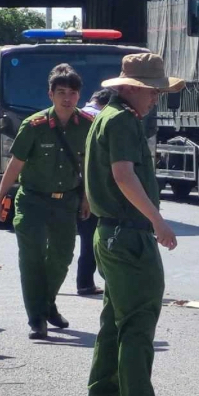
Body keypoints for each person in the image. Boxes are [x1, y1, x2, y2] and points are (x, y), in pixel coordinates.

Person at [84, 52, 189, 396]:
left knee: (115, 325)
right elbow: (123, 175)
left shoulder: (105, 118)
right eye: (152, 91)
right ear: (130, 89)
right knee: (137, 328)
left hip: (112, 234)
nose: (155, 99)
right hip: (128, 237)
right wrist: (157, 221)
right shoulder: (124, 121)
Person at [0, 64, 91, 340]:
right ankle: (37, 318)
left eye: (72, 93)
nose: (67, 98)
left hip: (66, 203)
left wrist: (86, 198)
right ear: (50, 94)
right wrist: (0, 196)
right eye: (61, 92)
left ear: (79, 96)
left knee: (61, 257)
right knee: (32, 259)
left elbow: (88, 166)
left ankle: (47, 304)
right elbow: (15, 164)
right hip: (32, 201)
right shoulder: (34, 126)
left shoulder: (86, 125)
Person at [74, 89, 113, 296]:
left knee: (84, 238)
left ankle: (83, 281)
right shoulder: (100, 119)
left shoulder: (78, 115)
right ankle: (86, 283)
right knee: (92, 238)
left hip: (70, 186)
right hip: (91, 189)